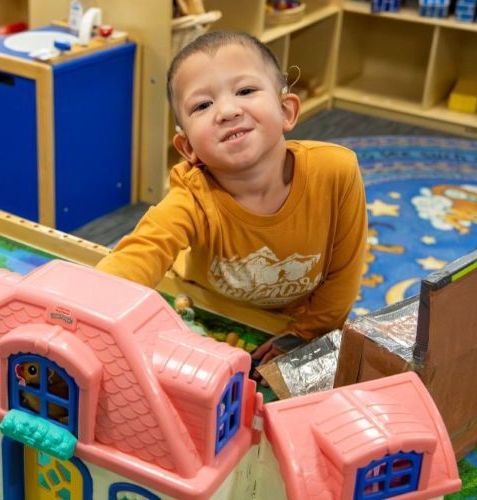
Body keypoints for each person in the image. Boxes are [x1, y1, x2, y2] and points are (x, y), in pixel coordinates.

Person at [96, 31, 367, 372]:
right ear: (188, 148)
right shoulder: (192, 195)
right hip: (202, 312)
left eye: (245, 91)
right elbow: (140, 253)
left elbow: (345, 273)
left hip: (295, 323)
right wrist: (89, 303)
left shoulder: (337, 172)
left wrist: (306, 332)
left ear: (286, 110)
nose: (226, 110)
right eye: (202, 105)